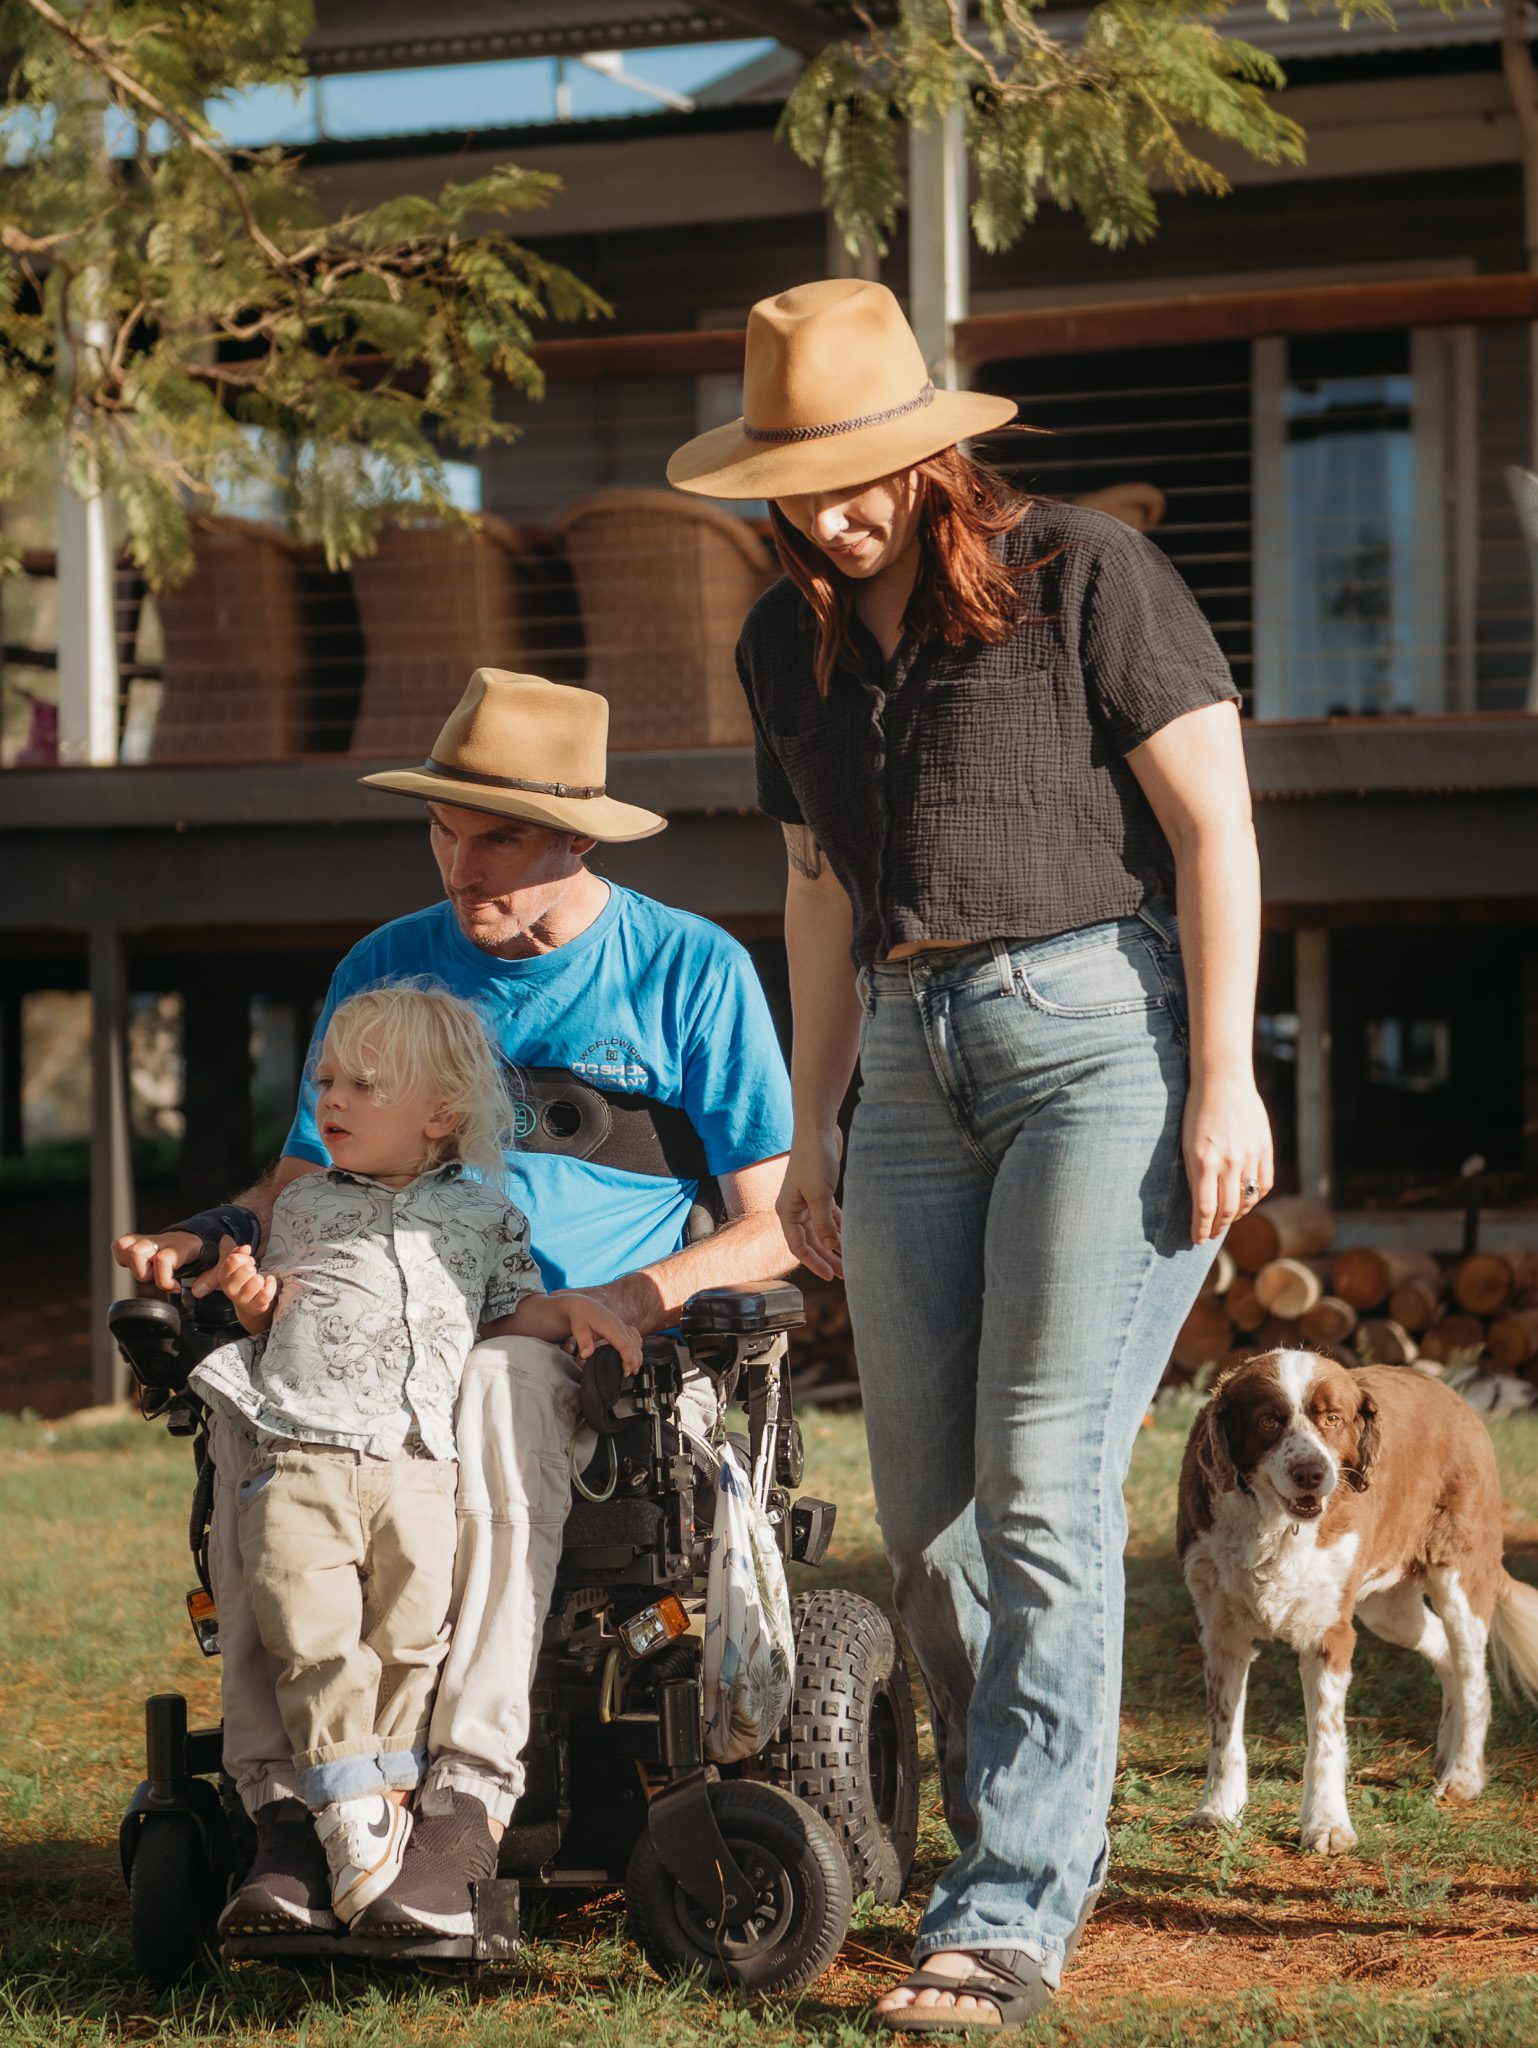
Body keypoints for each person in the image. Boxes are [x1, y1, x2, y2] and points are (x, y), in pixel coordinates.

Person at [668, 279, 1272, 2034]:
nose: (831, 507)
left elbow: (1210, 824)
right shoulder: (785, 647)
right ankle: (1007, 1827)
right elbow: (816, 889)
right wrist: (807, 1127)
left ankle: (1005, 1904)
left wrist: (1222, 1078)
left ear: (930, 451)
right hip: (909, 1068)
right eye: (797, 480)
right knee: (929, 1528)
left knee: (1038, 1483)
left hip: (1100, 1040)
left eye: (860, 471)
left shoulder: (1086, 570)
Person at [115, 668, 794, 1939]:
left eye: (502, 837)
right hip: (356, 1336)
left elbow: (782, 1227)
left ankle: (463, 1809)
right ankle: (289, 1818)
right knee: (245, 1407)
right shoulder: (385, 964)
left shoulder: (691, 971)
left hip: (573, 1352)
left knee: (492, 1382)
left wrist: (627, 1291)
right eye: (445, 828)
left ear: (579, 837)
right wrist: (200, 1236)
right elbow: (300, 1182)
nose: (461, 864)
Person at [195, 984, 643, 1923]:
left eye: (364, 1084)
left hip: (418, 1464)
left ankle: (389, 1805)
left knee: (407, 1639)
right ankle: (343, 1809)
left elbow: (508, 1310)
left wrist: (570, 1311)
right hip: (305, 1449)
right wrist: (248, 1298)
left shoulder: (485, 1217)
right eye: (325, 1080)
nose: (333, 1101)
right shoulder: (306, 1203)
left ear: (440, 1116)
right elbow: (287, 1308)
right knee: (312, 1632)